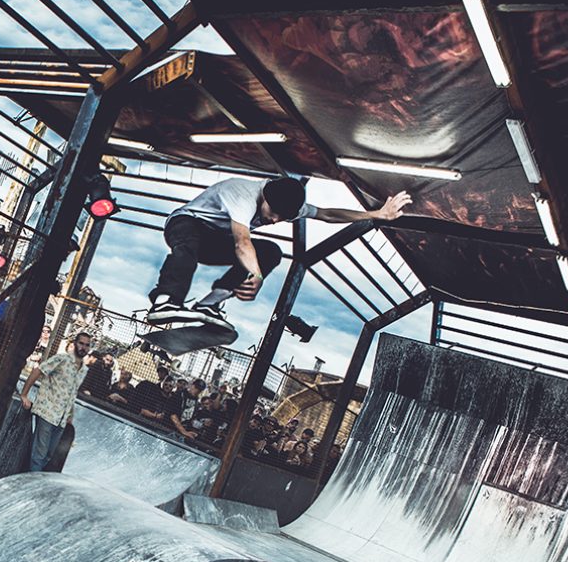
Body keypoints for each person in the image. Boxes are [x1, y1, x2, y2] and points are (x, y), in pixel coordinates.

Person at [146, 176, 412, 327]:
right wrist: (256, 278)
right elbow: (242, 242)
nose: (273, 221)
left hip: (216, 242)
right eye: (271, 214)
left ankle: (209, 305)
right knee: (188, 248)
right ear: (264, 198)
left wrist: (376, 213)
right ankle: (165, 301)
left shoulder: (289, 208)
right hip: (185, 225)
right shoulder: (242, 193)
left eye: (281, 218)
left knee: (271, 252)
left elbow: (328, 214)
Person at [21, 332, 91, 473]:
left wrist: (70, 415)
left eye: (87, 345)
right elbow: (38, 370)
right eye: (81, 343)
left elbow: (72, 392)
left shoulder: (84, 369)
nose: (83, 347)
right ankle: (33, 486)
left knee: (48, 455)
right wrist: (24, 395)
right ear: (75, 343)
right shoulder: (62, 359)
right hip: (48, 411)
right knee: (39, 455)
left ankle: (30, 478)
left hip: (61, 419)